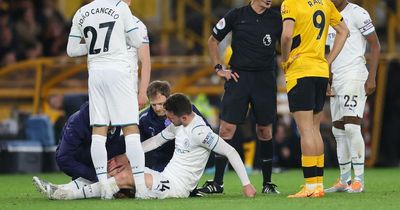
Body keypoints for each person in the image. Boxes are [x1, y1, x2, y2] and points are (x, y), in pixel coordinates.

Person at [42, 93, 256, 200]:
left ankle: (67, 195)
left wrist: (246, 184)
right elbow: (157, 140)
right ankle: (65, 188)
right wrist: (127, 156)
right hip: (164, 176)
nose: (166, 119)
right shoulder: (179, 125)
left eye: (169, 116)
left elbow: (230, 151)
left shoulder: (201, 132)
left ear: (181, 115)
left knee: (125, 178)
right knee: (121, 170)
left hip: (177, 188)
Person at [66, 0, 148, 199]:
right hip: (118, 72)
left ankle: (104, 188)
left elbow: (71, 50)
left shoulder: (82, 11)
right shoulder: (120, 8)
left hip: (95, 73)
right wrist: (117, 42)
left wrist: (95, 48)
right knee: (130, 127)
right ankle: (142, 189)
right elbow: (137, 42)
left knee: (99, 130)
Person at [201, 0, 282, 194]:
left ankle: (267, 183)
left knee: (265, 130)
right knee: (226, 129)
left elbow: (288, 40)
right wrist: (219, 68)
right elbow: (213, 40)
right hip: (239, 78)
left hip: (265, 79)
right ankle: (218, 183)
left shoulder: (277, 18)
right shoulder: (236, 15)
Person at [280, 0, 349, 198]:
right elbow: (344, 32)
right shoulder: (325, 3)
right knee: (315, 129)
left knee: (305, 130)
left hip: (301, 70)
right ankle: (317, 184)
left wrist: (285, 60)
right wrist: (328, 61)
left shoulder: (290, 3)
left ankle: (310, 187)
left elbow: (286, 36)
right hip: (320, 70)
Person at [324, 0, 381, 193]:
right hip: (337, 78)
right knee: (338, 131)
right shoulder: (326, 14)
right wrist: (328, 79)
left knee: (351, 125)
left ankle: (359, 180)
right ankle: (343, 180)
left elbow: (375, 45)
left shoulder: (358, 13)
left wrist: (372, 78)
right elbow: (328, 51)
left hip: (354, 75)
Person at [33, 102, 136, 198]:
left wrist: (124, 158)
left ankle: (64, 190)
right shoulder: (78, 122)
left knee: (127, 147)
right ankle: (71, 190)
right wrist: (98, 176)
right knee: (104, 175)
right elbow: (64, 158)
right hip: (82, 158)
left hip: (105, 160)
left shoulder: (118, 119)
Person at [139, 80, 210, 172]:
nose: (157, 108)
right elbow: (140, 145)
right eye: (153, 104)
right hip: (160, 162)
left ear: (168, 98)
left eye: (161, 104)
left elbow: (207, 130)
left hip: (186, 158)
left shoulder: (187, 109)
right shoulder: (143, 119)